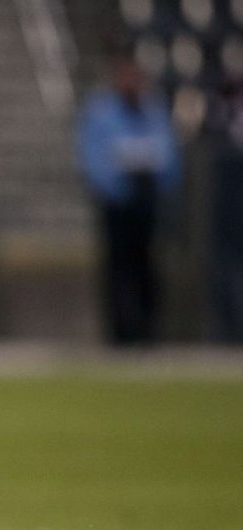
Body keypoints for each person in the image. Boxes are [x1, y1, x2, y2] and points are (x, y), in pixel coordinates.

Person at [76, 51, 180, 346]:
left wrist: (157, 182)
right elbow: (93, 160)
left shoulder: (154, 112)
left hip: (147, 202)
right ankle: (120, 333)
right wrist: (117, 187)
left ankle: (149, 331)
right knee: (117, 268)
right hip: (117, 205)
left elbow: (169, 158)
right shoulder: (101, 113)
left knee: (146, 266)